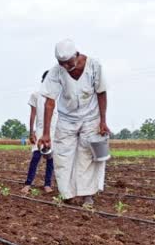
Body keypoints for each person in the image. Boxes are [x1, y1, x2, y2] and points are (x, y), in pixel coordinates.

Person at [38, 39, 110, 207]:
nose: (65, 67)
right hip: (66, 118)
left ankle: (87, 195)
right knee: (62, 155)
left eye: (68, 63)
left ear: (76, 55)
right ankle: (67, 194)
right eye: (61, 63)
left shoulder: (94, 66)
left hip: (91, 117)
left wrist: (103, 121)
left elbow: (101, 92)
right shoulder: (56, 72)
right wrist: (46, 133)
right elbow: (49, 102)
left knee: (87, 155)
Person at [21, 71, 55, 194]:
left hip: (54, 131)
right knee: (36, 157)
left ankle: (47, 184)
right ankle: (28, 183)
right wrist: (31, 132)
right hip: (40, 131)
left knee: (51, 159)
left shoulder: (58, 96)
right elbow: (33, 114)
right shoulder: (36, 95)